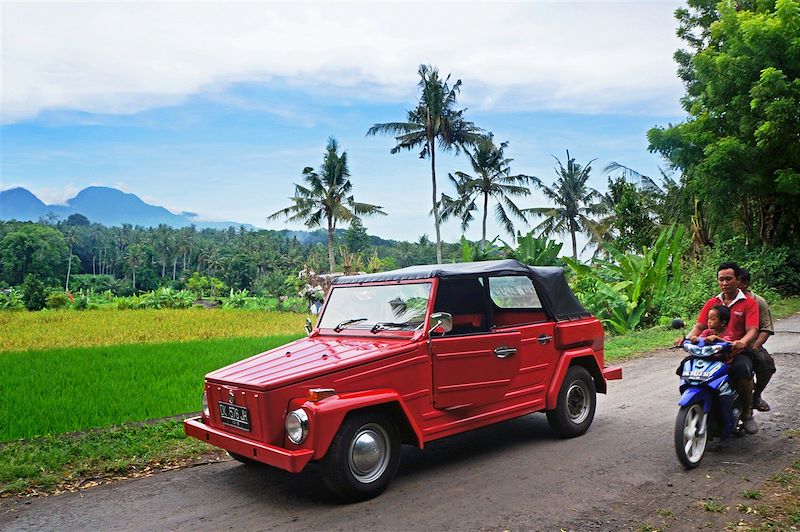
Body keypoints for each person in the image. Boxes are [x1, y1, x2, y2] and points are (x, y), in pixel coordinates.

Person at [676, 262, 760, 434]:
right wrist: (686, 340)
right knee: (684, 367)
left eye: (728, 279)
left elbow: (753, 330)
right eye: (721, 279)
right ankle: (698, 402)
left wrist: (743, 341)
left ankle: (746, 412)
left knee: (742, 370)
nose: (724, 283)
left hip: (736, 351)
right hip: (710, 351)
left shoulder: (749, 303)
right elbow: (699, 327)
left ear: (737, 280)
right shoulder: (712, 303)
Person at [737, 268, 776, 412]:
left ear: (745, 283)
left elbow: (766, 328)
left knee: (766, 364)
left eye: (737, 281)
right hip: (728, 343)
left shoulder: (758, 302)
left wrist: (756, 345)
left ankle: (756, 395)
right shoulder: (723, 300)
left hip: (751, 343)